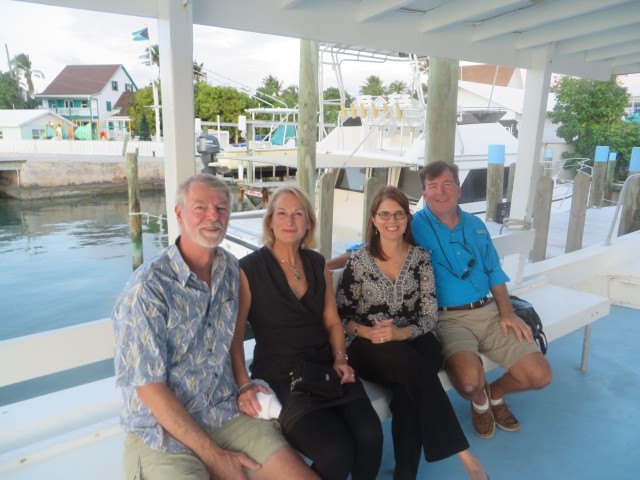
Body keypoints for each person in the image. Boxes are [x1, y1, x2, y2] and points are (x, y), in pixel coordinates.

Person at [113, 174, 317, 480]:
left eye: (221, 208)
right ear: (179, 214)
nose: (213, 216)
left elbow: (233, 340)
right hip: (161, 432)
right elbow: (151, 389)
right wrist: (214, 456)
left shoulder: (229, 269)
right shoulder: (148, 287)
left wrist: (244, 382)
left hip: (224, 413)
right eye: (201, 208)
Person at [230, 184, 383, 480]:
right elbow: (235, 337)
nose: (290, 221)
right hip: (283, 375)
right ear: (270, 221)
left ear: (308, 223)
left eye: (298, 214)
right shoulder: (248, 269)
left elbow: (332, 322)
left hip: (326, 367)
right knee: (335, 453)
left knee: (371, 436)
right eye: (282, 213)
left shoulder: (316, 263)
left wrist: (341, 358)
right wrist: (243, 383)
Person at [336, 185, 487, 480]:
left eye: (399, 214)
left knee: (409, 390)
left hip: (415, 339)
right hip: (369, 346)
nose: (392, 221)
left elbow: (429, 316)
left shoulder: (420, 259)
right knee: (414, 370)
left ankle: (405, 475)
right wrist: (369, 333)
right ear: (373, 219)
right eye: (384, 214)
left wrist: (402, 334)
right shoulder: (359, 261)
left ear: (407, 218)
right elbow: (342, 317)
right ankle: (463, 454)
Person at [412, 160, 552, 439]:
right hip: (447, 318)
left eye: (447, 184)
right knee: (467, 383)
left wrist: (507, 312)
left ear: (459, 189)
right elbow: (375, 245)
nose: (441, 192)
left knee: (540, 376)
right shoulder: (412, 226)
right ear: (424, 193)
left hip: (489, 310)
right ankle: (479, 403)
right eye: (432, 186)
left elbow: (494, 273)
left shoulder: (476, 224)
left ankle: (494, 395)